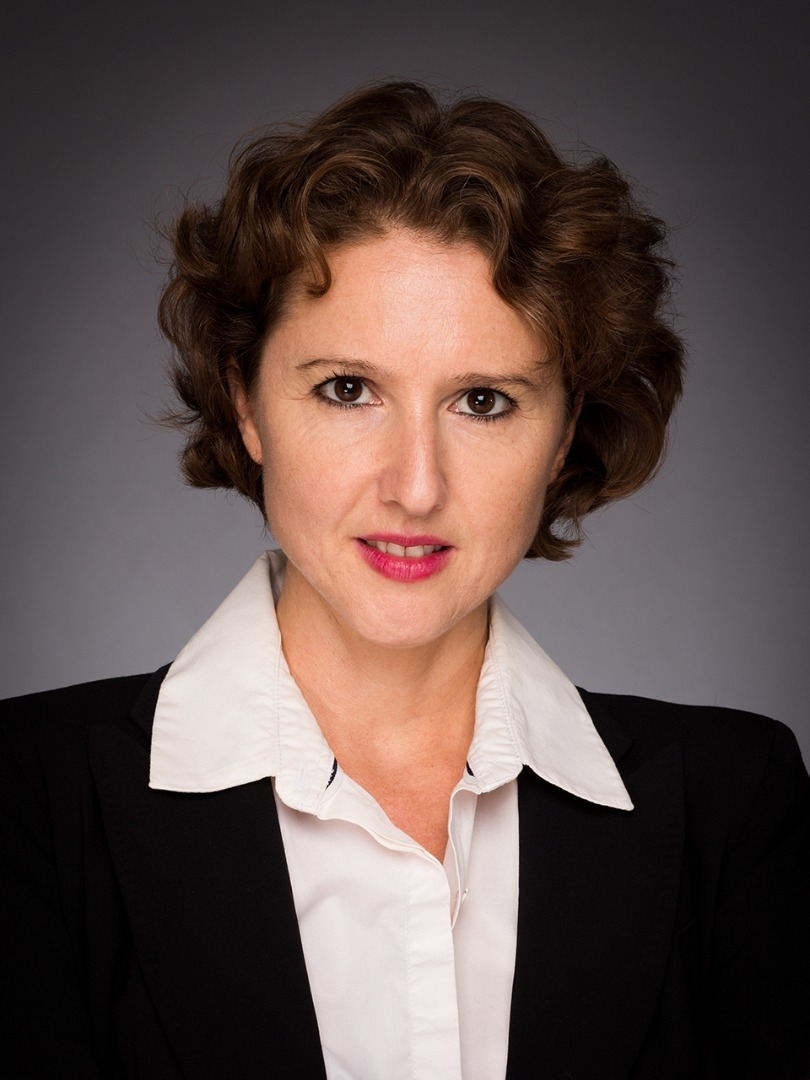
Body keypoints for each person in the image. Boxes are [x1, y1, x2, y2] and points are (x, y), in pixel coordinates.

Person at [1, 81, 808, 1080]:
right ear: (246, 405)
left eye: (484, 401)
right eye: (347, 390)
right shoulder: (23, 797)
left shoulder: (736, 804)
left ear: (565, 433)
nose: (415, 487)